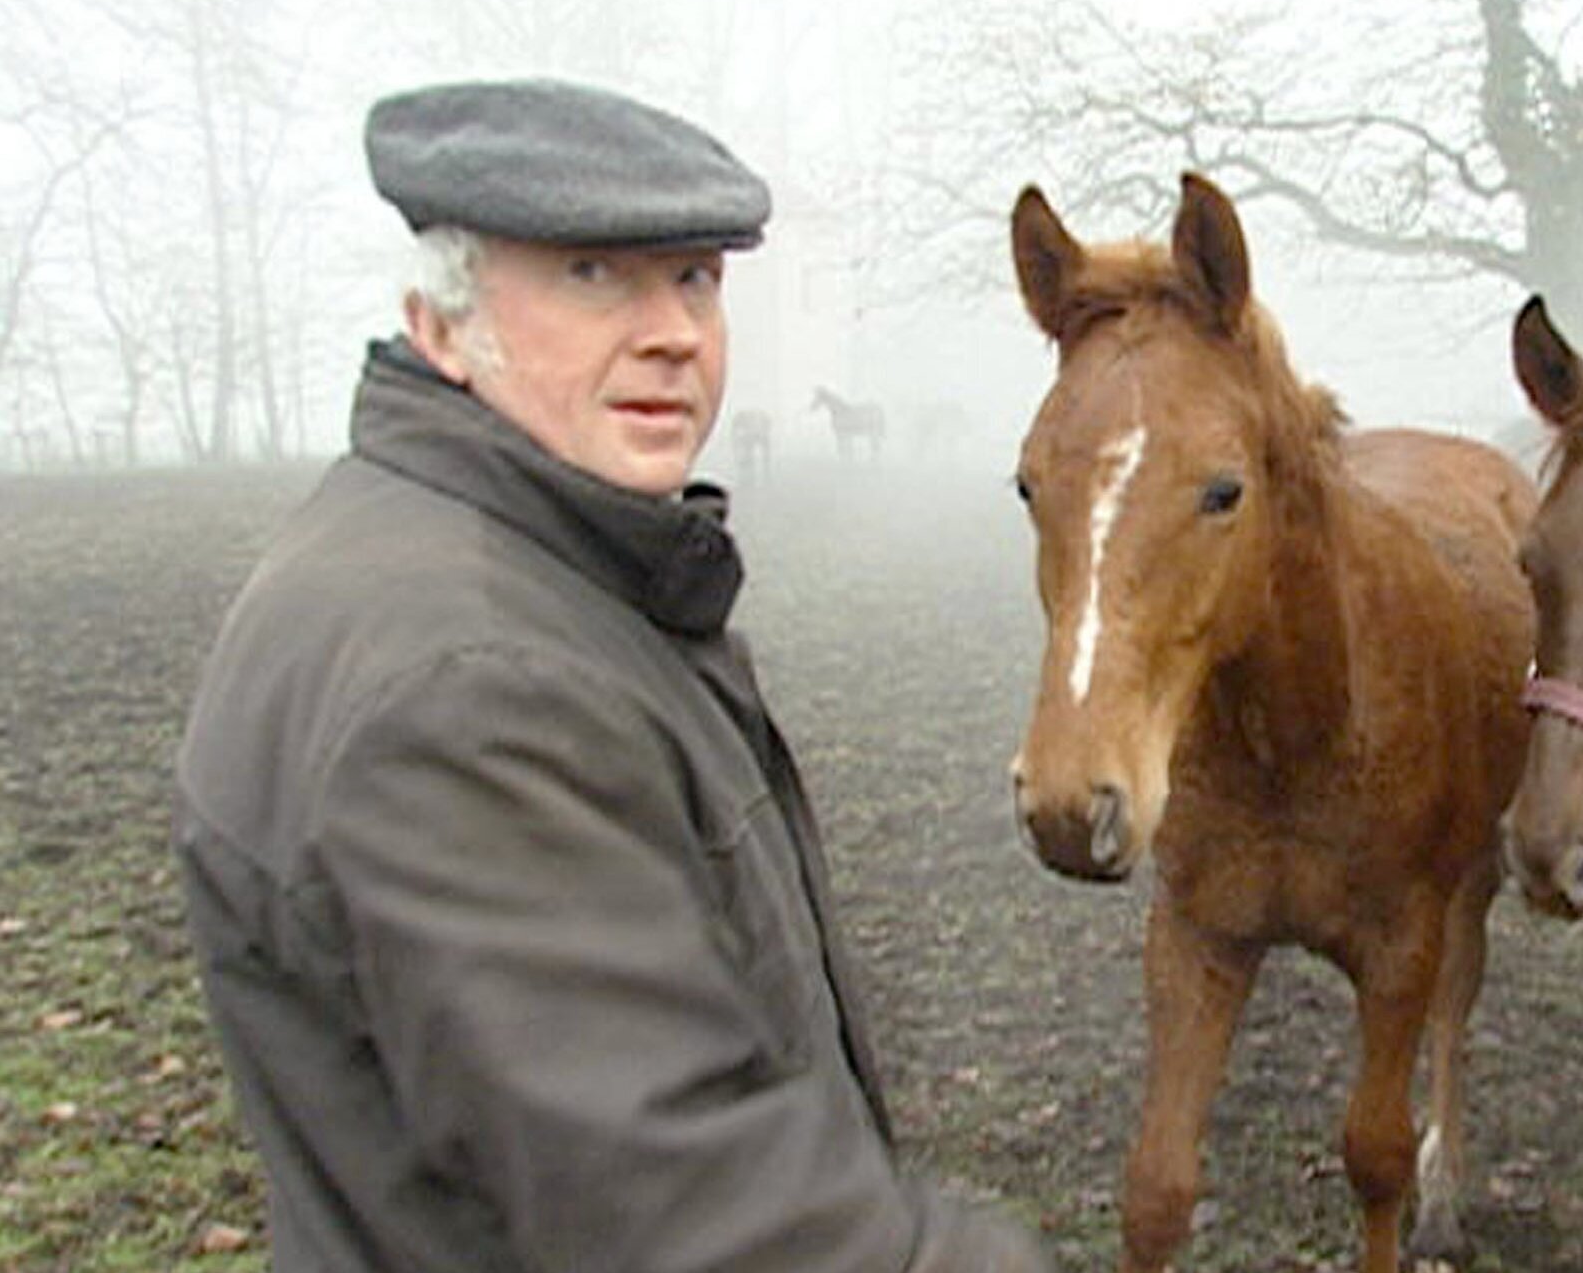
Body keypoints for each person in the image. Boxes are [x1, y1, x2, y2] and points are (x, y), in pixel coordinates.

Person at [170, 78, 1054, 1272]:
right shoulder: (466, 685)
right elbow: (692, 1212)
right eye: (594, 276)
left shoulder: (504, 565)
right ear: (439, 323)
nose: (673, 332)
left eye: (696, 277)